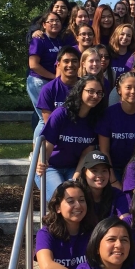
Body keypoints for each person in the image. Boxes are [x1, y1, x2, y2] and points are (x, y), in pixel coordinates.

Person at [37, 75, 105, 204]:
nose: (95, 96)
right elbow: (47, 146)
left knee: (80, 195)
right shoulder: (61, 114)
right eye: (90, 91)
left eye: (99, 93)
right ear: (80, 91)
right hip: (51, 166)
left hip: (74, 168)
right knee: (62, 197)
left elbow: (86, 153)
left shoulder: (96, 119)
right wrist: (41, 163)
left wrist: (76, 176)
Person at [98, 71, 135, 180]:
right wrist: (113, 179)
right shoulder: (108, 114)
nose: (133, 91)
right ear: (119, 90)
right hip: (113, 169)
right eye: (128, 87)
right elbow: (104, 151)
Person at [27, 12, 73, 119]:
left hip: (53, 82)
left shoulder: (59, 41)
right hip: (38, 81)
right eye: (51, 21)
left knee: (53, 116)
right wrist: (54, 77)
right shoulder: (38, 40)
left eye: (57, 21)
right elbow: (33, 65)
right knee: (44, 118)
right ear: (44, 25)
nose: (55, 23)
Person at [35, 46, 80, 137]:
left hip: (81, 136)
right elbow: (49, 123)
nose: (70, 65)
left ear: (79, 64)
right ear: (58, 64)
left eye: (74, 61)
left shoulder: (85, 88)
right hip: (57, 138)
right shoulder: (48, 89)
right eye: (66, 61)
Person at [79, 150, 130, 219]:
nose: (100, 175)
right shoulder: (77, 195)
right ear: (84, 173)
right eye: (94, 170)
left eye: (104, 170)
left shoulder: (117, 194)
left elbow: (125, 218)